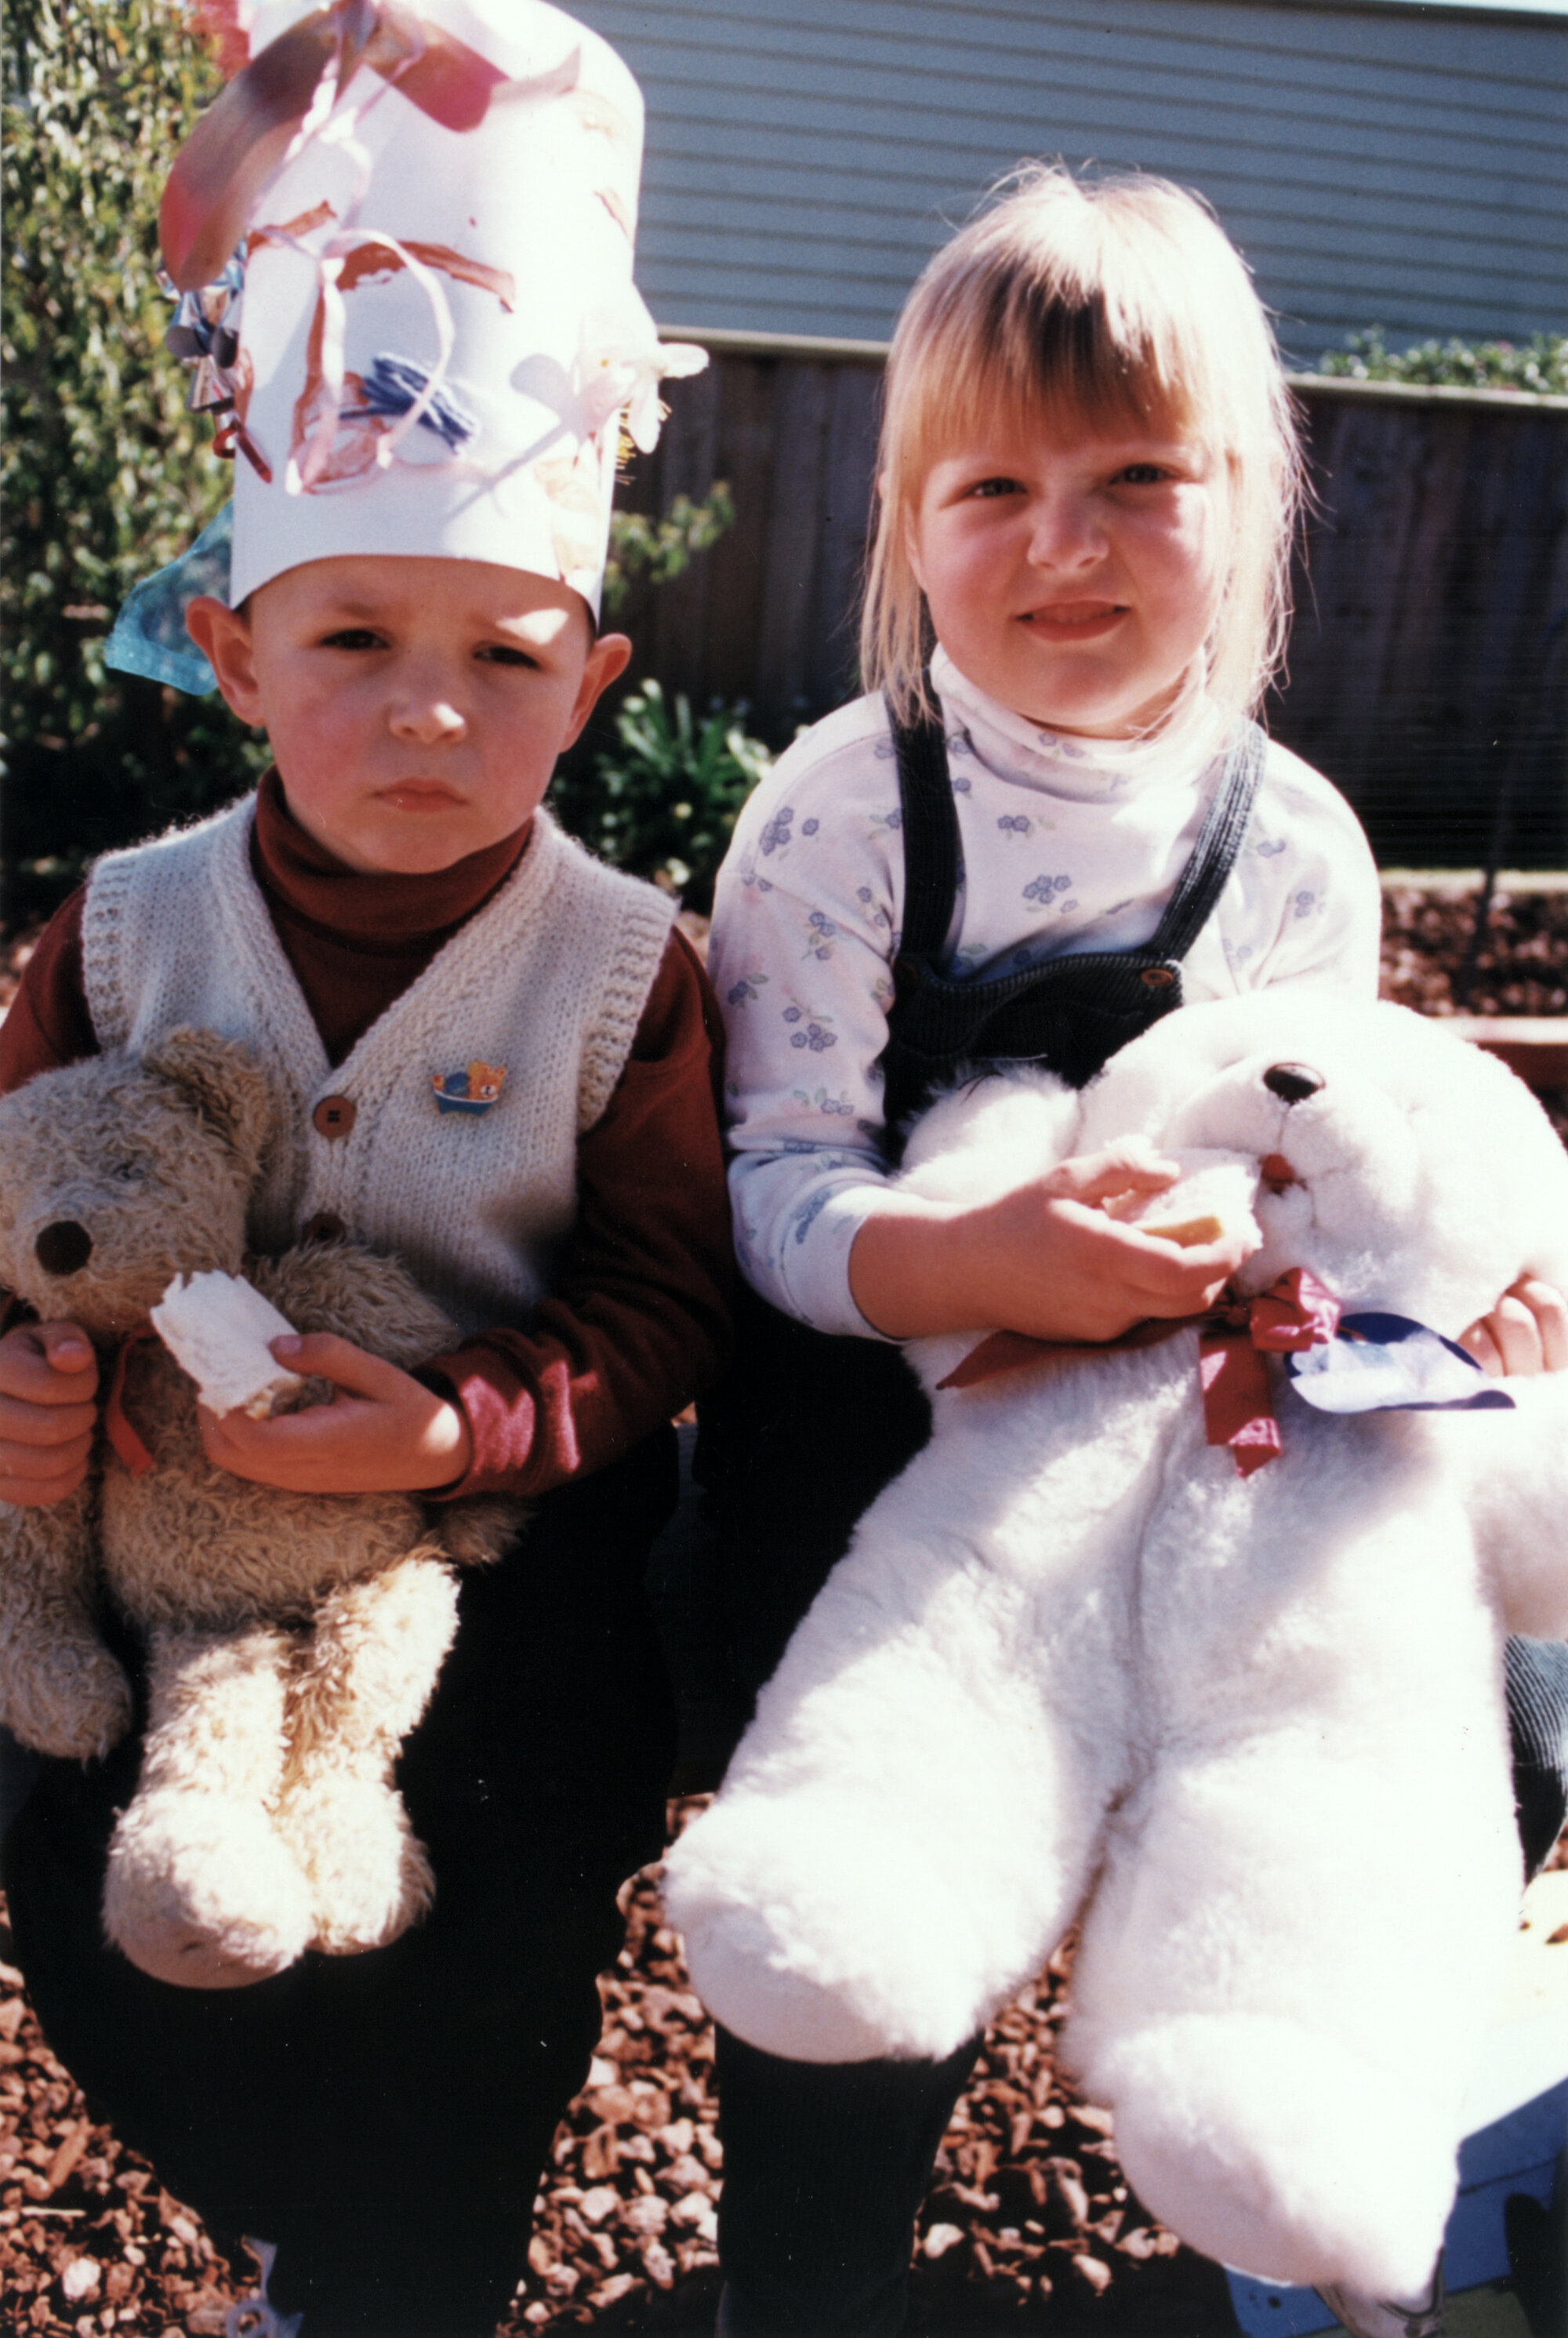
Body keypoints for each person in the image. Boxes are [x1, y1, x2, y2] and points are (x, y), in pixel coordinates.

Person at [698, 164, 1568, 2338]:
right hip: (883, 1442)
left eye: (1136, 478)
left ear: (1248, 511)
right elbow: (780, 1183)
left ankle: (1277, 2179)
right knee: (864, 1876)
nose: (1060, 541)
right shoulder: (841, 808)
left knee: (1478, 1723)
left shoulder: (1290, 847)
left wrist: (1434, 1313)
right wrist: (978, 1259)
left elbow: (1332, 1193)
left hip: (1192, 1442)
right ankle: (805, 2281)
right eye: (990, 484)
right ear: (907, 526)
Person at [0, 5, 728, 2334]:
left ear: (593, 680)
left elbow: (663, 1294)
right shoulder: (118, 932)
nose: (432, 710)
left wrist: (454, 1425)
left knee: (480, 1931)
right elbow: (18, 1220)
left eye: (505, 659)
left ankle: (399, 2269)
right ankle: (282, 2191)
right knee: (97, 1893)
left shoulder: (629, 975)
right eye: (353, 639)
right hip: (140, 1533)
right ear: (231, 650)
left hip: (486, 1564)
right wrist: (20, 1396)